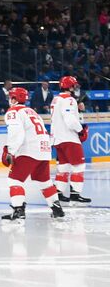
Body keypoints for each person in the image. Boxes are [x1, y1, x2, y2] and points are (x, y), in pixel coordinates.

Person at [0, 86, 65, 230]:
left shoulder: (13, 112)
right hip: (44, 149)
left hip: (29, 150)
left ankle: (18, 211)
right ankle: (57, 209)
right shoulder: (32, 112)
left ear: (14, 99)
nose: (9, 100)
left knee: (14, 180)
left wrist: (10, 150)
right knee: (45, 182)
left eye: (11, 97)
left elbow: (16, 133)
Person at [50, 75, 90, 204]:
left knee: (64, 167)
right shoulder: (69, 99)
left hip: (57, 138)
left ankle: (59, 192)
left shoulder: (56, 99)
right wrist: (80, 130)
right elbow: (70, 120)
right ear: (70, 86)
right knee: (79, 165)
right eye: (74, 85)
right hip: (69, 137)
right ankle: (75, 193)